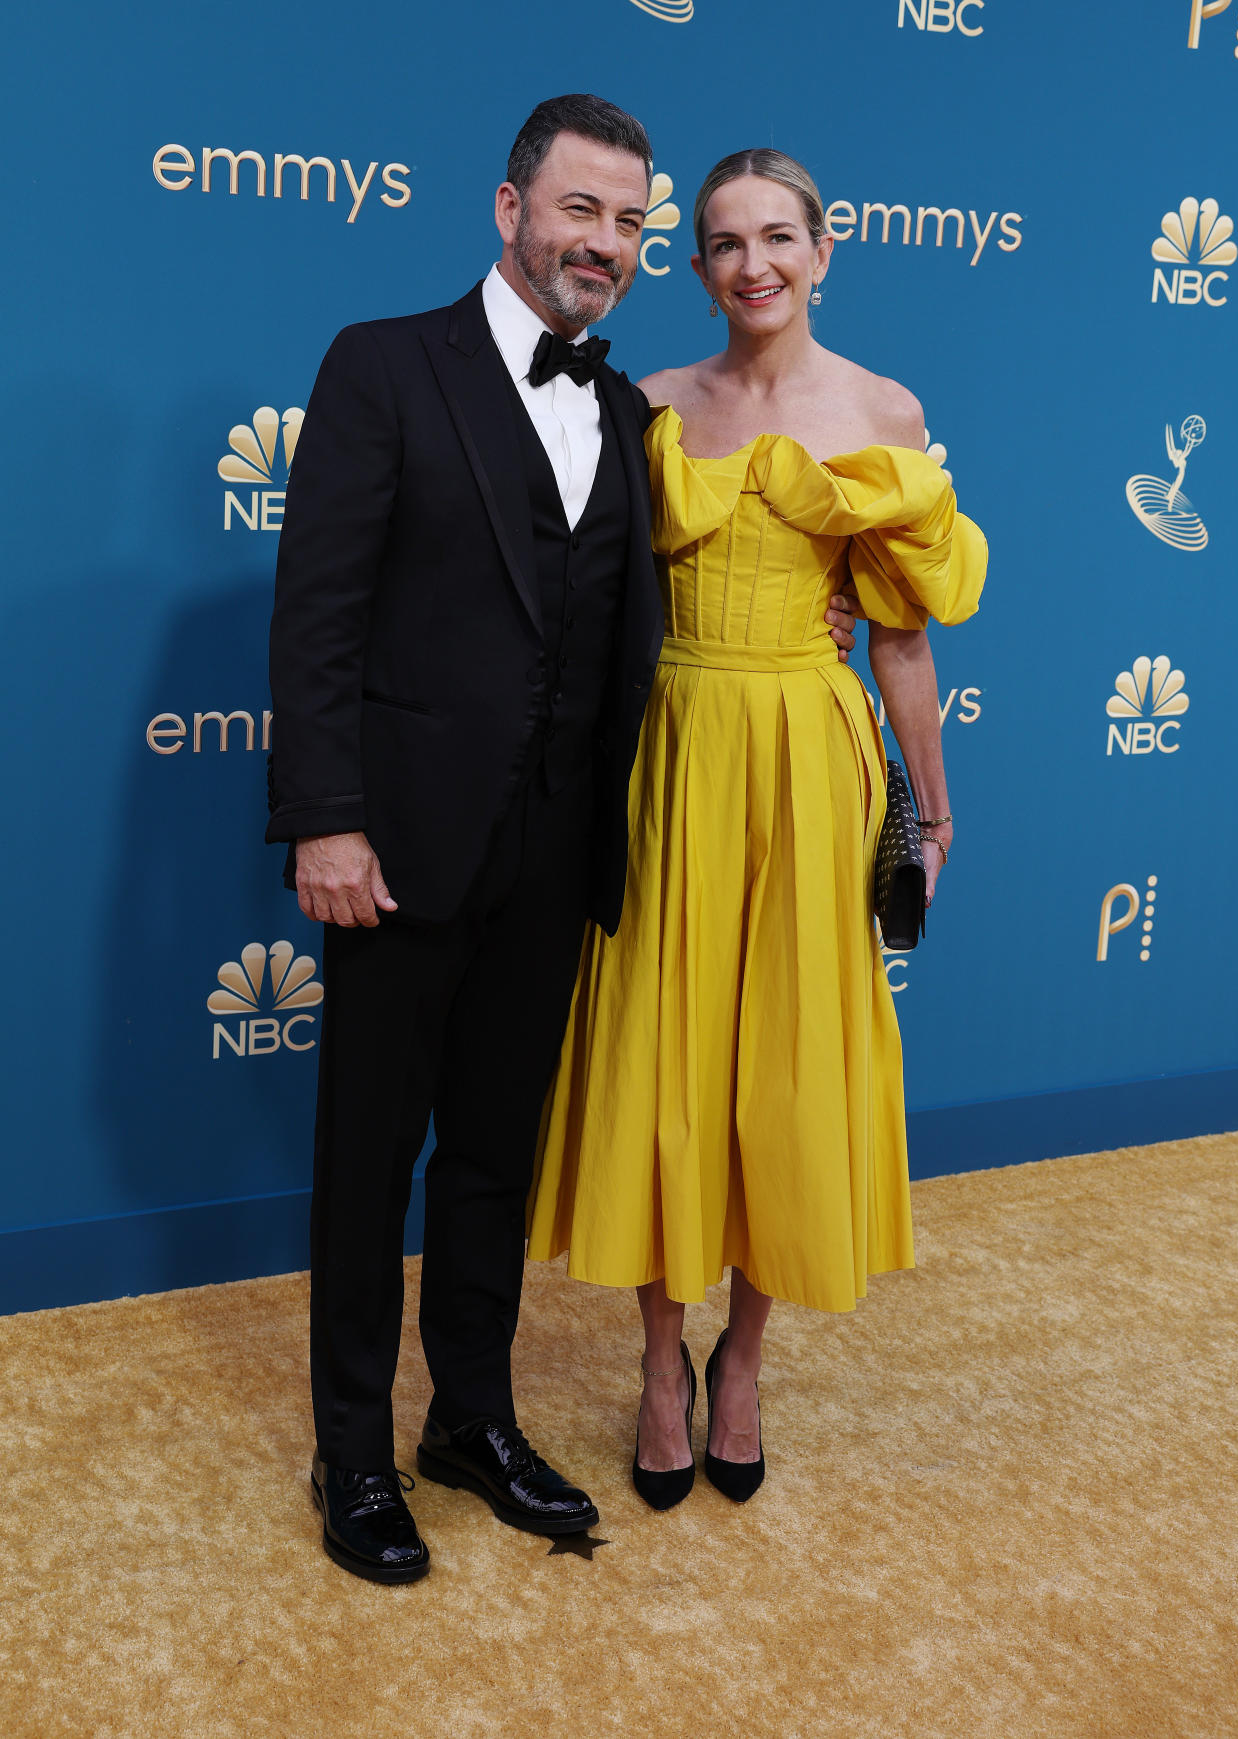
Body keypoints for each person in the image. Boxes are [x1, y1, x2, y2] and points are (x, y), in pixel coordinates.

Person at [267, 96, 866, 1580]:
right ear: (509, 209)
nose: (605, 243)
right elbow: (319, 612)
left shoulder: (627, 413)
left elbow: (641, 625)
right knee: (365, 1163)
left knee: (489, 1162)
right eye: (579, 211)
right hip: (394, 846)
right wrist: (325, 819)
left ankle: (467, 1417)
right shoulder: (382, 363)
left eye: (628, 223)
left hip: (557, 855)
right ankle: (352, 1453)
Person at [526, 148, 987, 1509]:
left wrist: (930, 806)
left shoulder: (883, 410)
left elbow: (898, 638)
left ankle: (744, 1360)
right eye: (723, 243)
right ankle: (660, 1369)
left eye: (776, 237)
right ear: (695, 265)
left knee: (781, 1078)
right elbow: (588, 609)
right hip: (670, 757)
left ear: (824, 248)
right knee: (670, 1067)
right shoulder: (649, 403)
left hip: (806, 757)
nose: (753, 265)